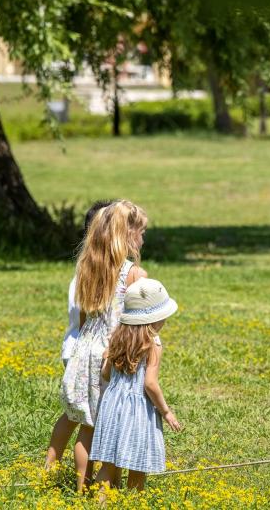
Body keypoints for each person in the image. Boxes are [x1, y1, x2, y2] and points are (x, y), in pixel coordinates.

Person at [59, 200, 148, 491]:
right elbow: (138, 320)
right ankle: (109, 485)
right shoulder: (134, 274)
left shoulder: (89, 266)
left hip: (86, 349)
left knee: (88, 427)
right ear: (127, 234)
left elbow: (83, 315)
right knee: (114, 424)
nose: (143, 238)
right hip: (114, 354)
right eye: (141, 231)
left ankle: (81, 488)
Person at [91, 278, 183, 494]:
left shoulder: (117, 337)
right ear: (156, 318)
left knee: (108, 464)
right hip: (138, 409)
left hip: (112, 404)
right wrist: (166, 412)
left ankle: (99, 505)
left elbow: (105, 374)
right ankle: (134, 503)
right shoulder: (153, 343)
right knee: (138, 465)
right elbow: (150, 383)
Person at [44, 199, 113, 472]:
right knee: (89, 420)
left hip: (73, 348)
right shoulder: (94, 271)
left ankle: (51, 465)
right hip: (84, 351)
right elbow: (88, 316)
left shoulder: (84, 266)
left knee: (73, 415)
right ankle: (81, 479)